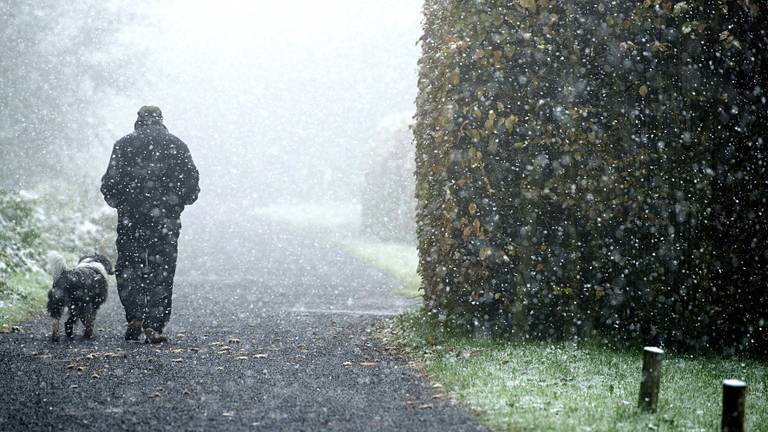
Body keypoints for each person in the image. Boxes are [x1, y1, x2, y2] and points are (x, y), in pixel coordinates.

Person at [101, 106, 199, 343]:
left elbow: (109, 185)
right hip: (165, 221)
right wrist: (177, 204)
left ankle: (134, 315)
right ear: (161, 121)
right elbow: (192, 184)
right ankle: (154, 325)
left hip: (131, 219)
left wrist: (122, 203)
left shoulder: (123, 146)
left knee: (128, 266)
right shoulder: (177, 145)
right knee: (162, 272)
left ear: (138, 121)